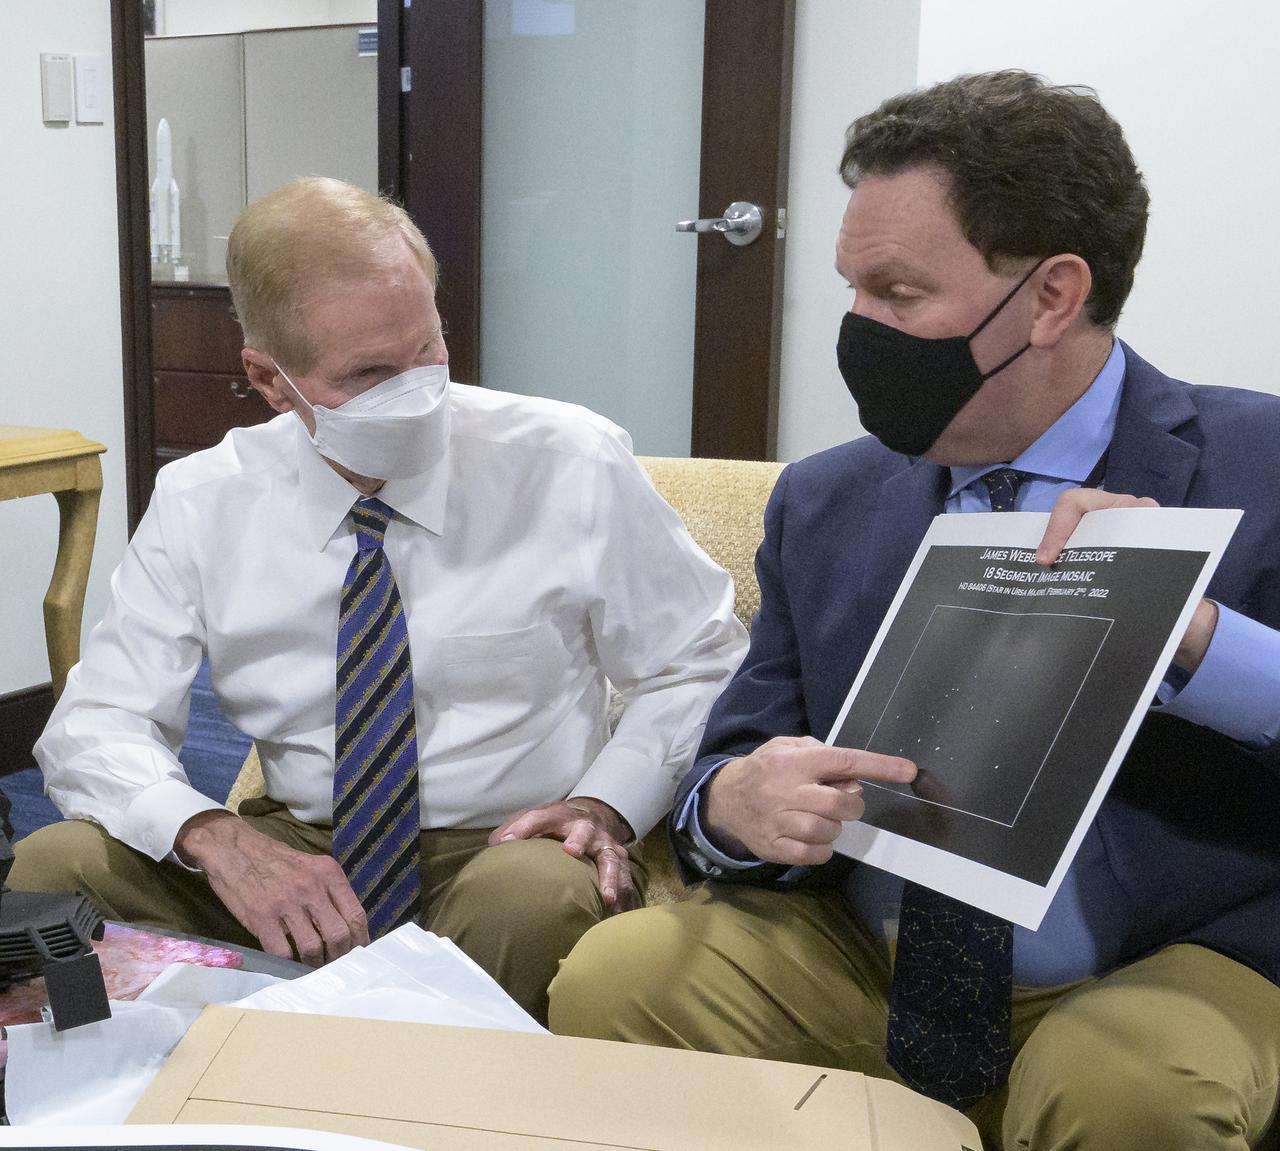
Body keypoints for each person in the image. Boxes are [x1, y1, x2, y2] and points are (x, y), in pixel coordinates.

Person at [549, 71, 1280, 1148]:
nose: (856, 330)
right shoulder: (827, 496)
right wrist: (733, 805)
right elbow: (740, 745)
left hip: (1162, 959)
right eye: (849, 290)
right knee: (622, 974)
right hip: (867, 949)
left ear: (1049, 295)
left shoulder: (1253, 461)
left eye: (895, 295)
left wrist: (1193, 634)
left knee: (1126, 1090)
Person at [13, 176, 747, 1023]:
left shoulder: (568, 459)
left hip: (507, 844)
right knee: (56, 865)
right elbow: (95, 724)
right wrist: (217, 838)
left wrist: (603, 803)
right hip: (300, 841)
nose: (417, 391)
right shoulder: (202, 498)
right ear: (268, 377)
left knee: (531, 899)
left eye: (428, 351)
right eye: (368, 373)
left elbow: (699, 662)